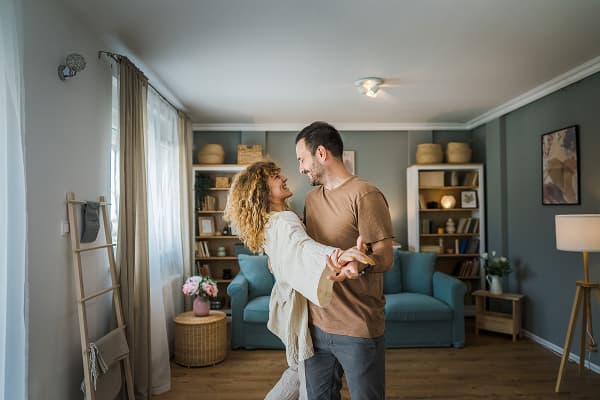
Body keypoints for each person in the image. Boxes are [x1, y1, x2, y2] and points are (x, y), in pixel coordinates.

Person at [223, 160, 374, 400]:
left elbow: (288, 253)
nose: (283, 178)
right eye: (275, 176)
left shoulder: (274, 219)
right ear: (261, 190)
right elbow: (303, 248)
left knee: (298, 370)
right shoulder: (284, 221)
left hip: (286, 304)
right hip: (296, 307)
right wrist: (338, 255)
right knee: (307, 380)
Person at [295, 121, 394, 399]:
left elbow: (386, 257)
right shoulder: (311, 199)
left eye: (302, 159)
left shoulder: (366, 194)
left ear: (322, 154)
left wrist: (361, 264)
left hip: (358, 326)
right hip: (316, 325)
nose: (301, 168)